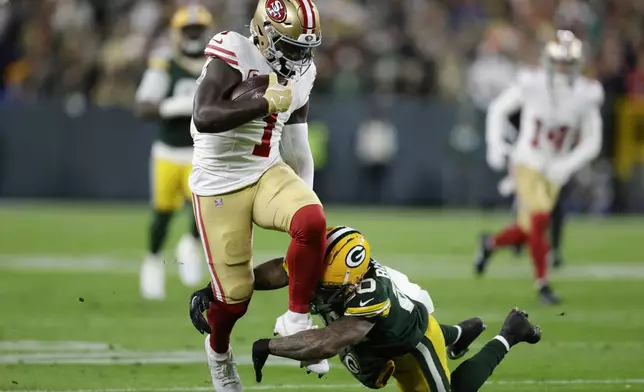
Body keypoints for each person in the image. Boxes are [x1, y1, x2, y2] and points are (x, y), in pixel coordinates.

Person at [189, 226, 542, 392]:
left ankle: (509, 334)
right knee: (370, 369)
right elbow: (277, 272)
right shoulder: (332, 269)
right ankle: (459, 334)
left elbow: (328, 342)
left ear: (353, 283)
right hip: (383, 332)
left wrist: (269, 346)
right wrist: (217, 288)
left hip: (411, 343)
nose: (314, 288)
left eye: (325, 285)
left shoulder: (369, 294)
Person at [189, 1, 327, 390]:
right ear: (264, 32)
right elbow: (204, 115)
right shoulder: (234, 48)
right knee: (234, 299)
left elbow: (298, 147)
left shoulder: (304, 72)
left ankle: (296, 322)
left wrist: (306, 210)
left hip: (266, 171)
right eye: (291, 45)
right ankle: (218, 353)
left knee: (312, 221)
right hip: (219, 182)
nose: (299, 56)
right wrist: (264, 101)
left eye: (305, 47)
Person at [476, 30, 603, 304]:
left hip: (555, 168)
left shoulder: (586, 94)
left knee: (528, 228)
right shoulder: (531, 84)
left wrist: (568, 163)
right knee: (541, 216)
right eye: (559, 62)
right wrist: (495, 145)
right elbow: (498, 109)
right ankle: (543, 284)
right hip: (527, 160)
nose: (563, 68)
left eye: (568, 63)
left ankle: (490, 245)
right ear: (548, 61)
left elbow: (593, 141)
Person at [134, 5, 214, 300]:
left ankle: (190, 244)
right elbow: (142, 106)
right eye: (188, 30)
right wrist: (174, 107)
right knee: (163, 214)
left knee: (202, 210)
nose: (193, 34)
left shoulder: (216, 61)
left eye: (198, 29)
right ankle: (153, 262)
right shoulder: (165, 62)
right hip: (169, 150)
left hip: (202, 150)